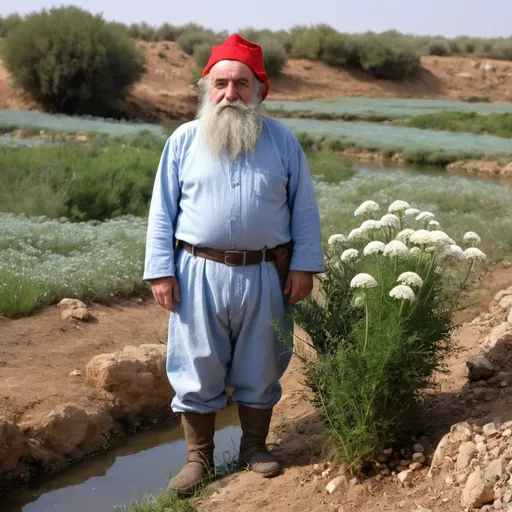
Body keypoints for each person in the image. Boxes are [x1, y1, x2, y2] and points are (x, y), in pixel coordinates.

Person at [143, 33, 324, 495]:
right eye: (221, 83)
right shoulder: (183, 140)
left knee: (260, 364)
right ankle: (198, 460)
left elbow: (304, 209)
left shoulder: (283, 142)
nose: (230, 93)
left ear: (258, 91)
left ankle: (254, 448)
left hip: (266, 273)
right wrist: (161, 270)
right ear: (207, 87)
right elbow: (162, 210)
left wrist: (304, 266)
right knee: (196, 364)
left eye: (241, 84)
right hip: (195, 273)